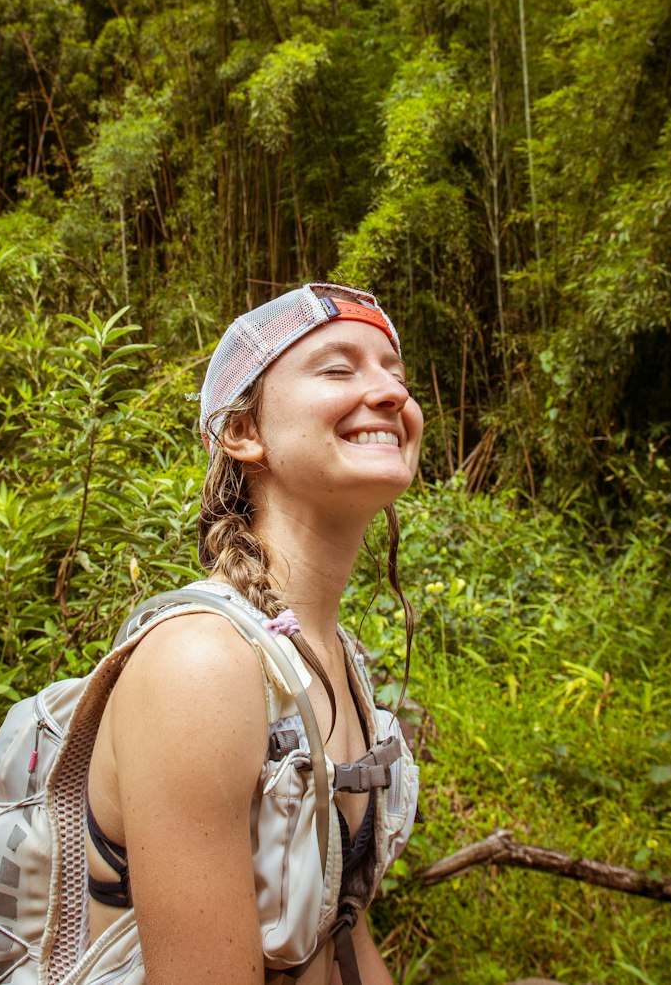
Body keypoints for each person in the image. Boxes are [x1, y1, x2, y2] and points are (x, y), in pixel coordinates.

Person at [83, 282, 424, 985]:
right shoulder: (202, 663)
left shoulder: (338, 661)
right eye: (339, 369)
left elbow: (343, 936)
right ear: (244, 432)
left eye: (396, 373)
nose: (391, 393)